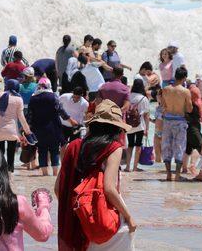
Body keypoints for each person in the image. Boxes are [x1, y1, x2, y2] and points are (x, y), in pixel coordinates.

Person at [55, 101, 136, 251]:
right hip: (101, 219)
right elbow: (109, 189)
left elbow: (58, 188)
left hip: (76, 221)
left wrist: (77, 210)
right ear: (116, 127)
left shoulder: (73, 146)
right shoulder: (113, 147)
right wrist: (129, 217)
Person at [28, 79, 77, 176]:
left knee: (42, 150)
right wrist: (71, 120)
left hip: (39, 129)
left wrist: (27, 128)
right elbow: (61, 111)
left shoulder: (33, 98)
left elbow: (29, 115)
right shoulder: (53, 97)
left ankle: (45, 174)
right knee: (54, 150)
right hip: (54, 129)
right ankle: (55, 174)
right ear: (49, 85)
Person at [0, 79, 32, 172]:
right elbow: (21, 117)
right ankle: (10, 173)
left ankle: (0, 172)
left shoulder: (0, 95)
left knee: (0, 154)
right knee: (11, 154)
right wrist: (27, 131)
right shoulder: (18, 99)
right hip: (12, 131)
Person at [160, 67, 193, 181]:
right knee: (179, 147)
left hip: (167, 120)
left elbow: (163, 105)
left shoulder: (166, 89)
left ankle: (168, 174)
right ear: (184, 78)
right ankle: (177, 175)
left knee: (166, 147)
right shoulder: (185, 91)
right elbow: (189, 109)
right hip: (180, 121)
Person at [125, 79, 151, 172]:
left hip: (129, 125)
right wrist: (147, 129)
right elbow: (146, 116)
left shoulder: (128, 97)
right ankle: (135, 167)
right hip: (140, 125)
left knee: (130, 145)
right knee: (138, 145)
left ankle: (127, 167)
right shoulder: (144, 98)